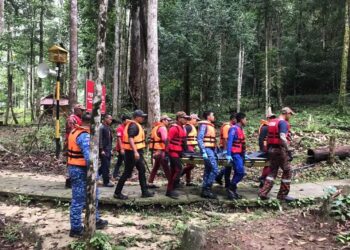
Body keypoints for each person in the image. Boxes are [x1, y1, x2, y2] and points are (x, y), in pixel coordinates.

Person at [67, 113, 108, 237]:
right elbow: (88, 157)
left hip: (78, 168)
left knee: (94, 194)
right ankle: (75, 228)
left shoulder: (75, 131)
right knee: (78, 199)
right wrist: (94, 173)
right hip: (80, 170)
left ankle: (95, 219)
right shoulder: (84, 136)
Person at [113, 110, 154, 200]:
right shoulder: (134, 126)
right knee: (127, 173)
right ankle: (117, 193)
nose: (143, 118)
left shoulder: (135, 124)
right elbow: (131, 139)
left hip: (136, 151)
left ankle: (144, 191)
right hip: (132, 152)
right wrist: (135, 152)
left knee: (142, 170)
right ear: (136, 117)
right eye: (141, 116)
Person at [259, 107, 295, 202]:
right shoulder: (282, 123)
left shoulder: (273, 122)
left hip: (271, 150)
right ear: (286, 113)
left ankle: (263, 192)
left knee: (272, 171)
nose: (290, 116)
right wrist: (288, 149)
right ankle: (282, 195)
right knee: (287, 170)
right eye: (290, 114)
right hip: (280, 150)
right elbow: (282, 137)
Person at [166, 111, 189, 199]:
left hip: (177, 152)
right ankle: (171, 188)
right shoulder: (174, 128)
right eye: (185, 118)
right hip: (172, 152)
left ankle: (170, 189)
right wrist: (167, 152)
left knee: (174, 171)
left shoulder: (181, 127)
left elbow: (182, 141)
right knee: (178, 169)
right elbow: (168, 140)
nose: (186, 120)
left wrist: (185, 151)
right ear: (179, 119)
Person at [226, 112, 247, 200]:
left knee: (238, 172)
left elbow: (242, 144)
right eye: (246, 119)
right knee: (240, 172)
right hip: (235, 153)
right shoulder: (234, 129)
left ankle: (233, 191)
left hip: (240, 153)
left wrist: (244, 154)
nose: (246, 121)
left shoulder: (240, 129)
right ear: (241, 120)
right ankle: (230, 188)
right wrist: (228, 154)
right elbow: (230, 141)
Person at [198, 111, 218, 199]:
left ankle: (204, 190)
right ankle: (207, 188)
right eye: (213, 115)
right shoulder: (204, 125)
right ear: (208, 116)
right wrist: (203, 151)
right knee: (214, 169)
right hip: (207, 149)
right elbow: (199, 138)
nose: (214, 116)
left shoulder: (210, 125)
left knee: (208, 169)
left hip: (211, 149)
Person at [64, 104, 86, 189]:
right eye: (82, 110)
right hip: (71, 143)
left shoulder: (80, 118)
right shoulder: (71, 119)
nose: (83, 112)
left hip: (77, 142)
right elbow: (72, 132)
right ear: (77, 110)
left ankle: (73, 180)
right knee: (70, 161)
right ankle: (69, 181)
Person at [148, 115, 172, 187]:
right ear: (163, 120)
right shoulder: (162, 128)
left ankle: (150, 182)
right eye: (168, 120)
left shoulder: (156, 127)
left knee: (156, 167)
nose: (169, 122)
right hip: (161, 151)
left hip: (156, 150)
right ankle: (171, 183)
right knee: (166, 167)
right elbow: (165, 139)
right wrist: (169, 148)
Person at [215, 113, 236, 187]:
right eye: (236, 119)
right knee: (228, 165)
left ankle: (220, 177)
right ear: (233, 119)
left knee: (228, 165)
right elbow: (225, 139)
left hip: (228, 148)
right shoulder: (227, 127)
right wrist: (226, 150)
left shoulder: (232, 126)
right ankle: (226, 182)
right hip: (225, 148)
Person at [181, 113, 200, 186]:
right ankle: (179, 175)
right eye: (196, 120)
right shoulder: (188, 127)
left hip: (190, 146)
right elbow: (183, 137)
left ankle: (188, 181)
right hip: (188, 147)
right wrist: (185, 148)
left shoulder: (190, 126)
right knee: (191, 165)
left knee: (189, 164)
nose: (197, 121)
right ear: (191, 119)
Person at [257, 113, 276, 188]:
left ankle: (263, 178)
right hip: (266, 148)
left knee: (268, 164)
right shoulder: (265, 127)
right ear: (268, 118)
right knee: (269, 164)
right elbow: (261, 139)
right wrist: (262, 149)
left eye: (273, 117)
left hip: (270, 148)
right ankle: (263, 178)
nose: (272, 119)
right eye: (271, 118)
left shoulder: (272, 126)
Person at [112, 115, 130, 180]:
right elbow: (119, 138)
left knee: (120, 161)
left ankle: (115, 174)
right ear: (124, 121)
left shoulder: (127, 127)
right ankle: (127, 175)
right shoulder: (120, 128)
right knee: (126, 161)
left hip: (126, 147)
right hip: (121, 148)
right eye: (127, 120)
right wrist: (121, 149)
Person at [98, 114, 114, 187]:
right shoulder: (101, 127)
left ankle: (94, 176)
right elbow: (100, 139)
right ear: (105, 119)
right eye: (110, 119)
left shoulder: (108, 128)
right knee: (105, 166)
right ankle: (106, 182)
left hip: (108, 149)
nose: (111, 121)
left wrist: (111, 149)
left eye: (111, 119)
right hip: (103, 150)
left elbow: (110, 140)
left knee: (105, 165)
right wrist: (101, 150)